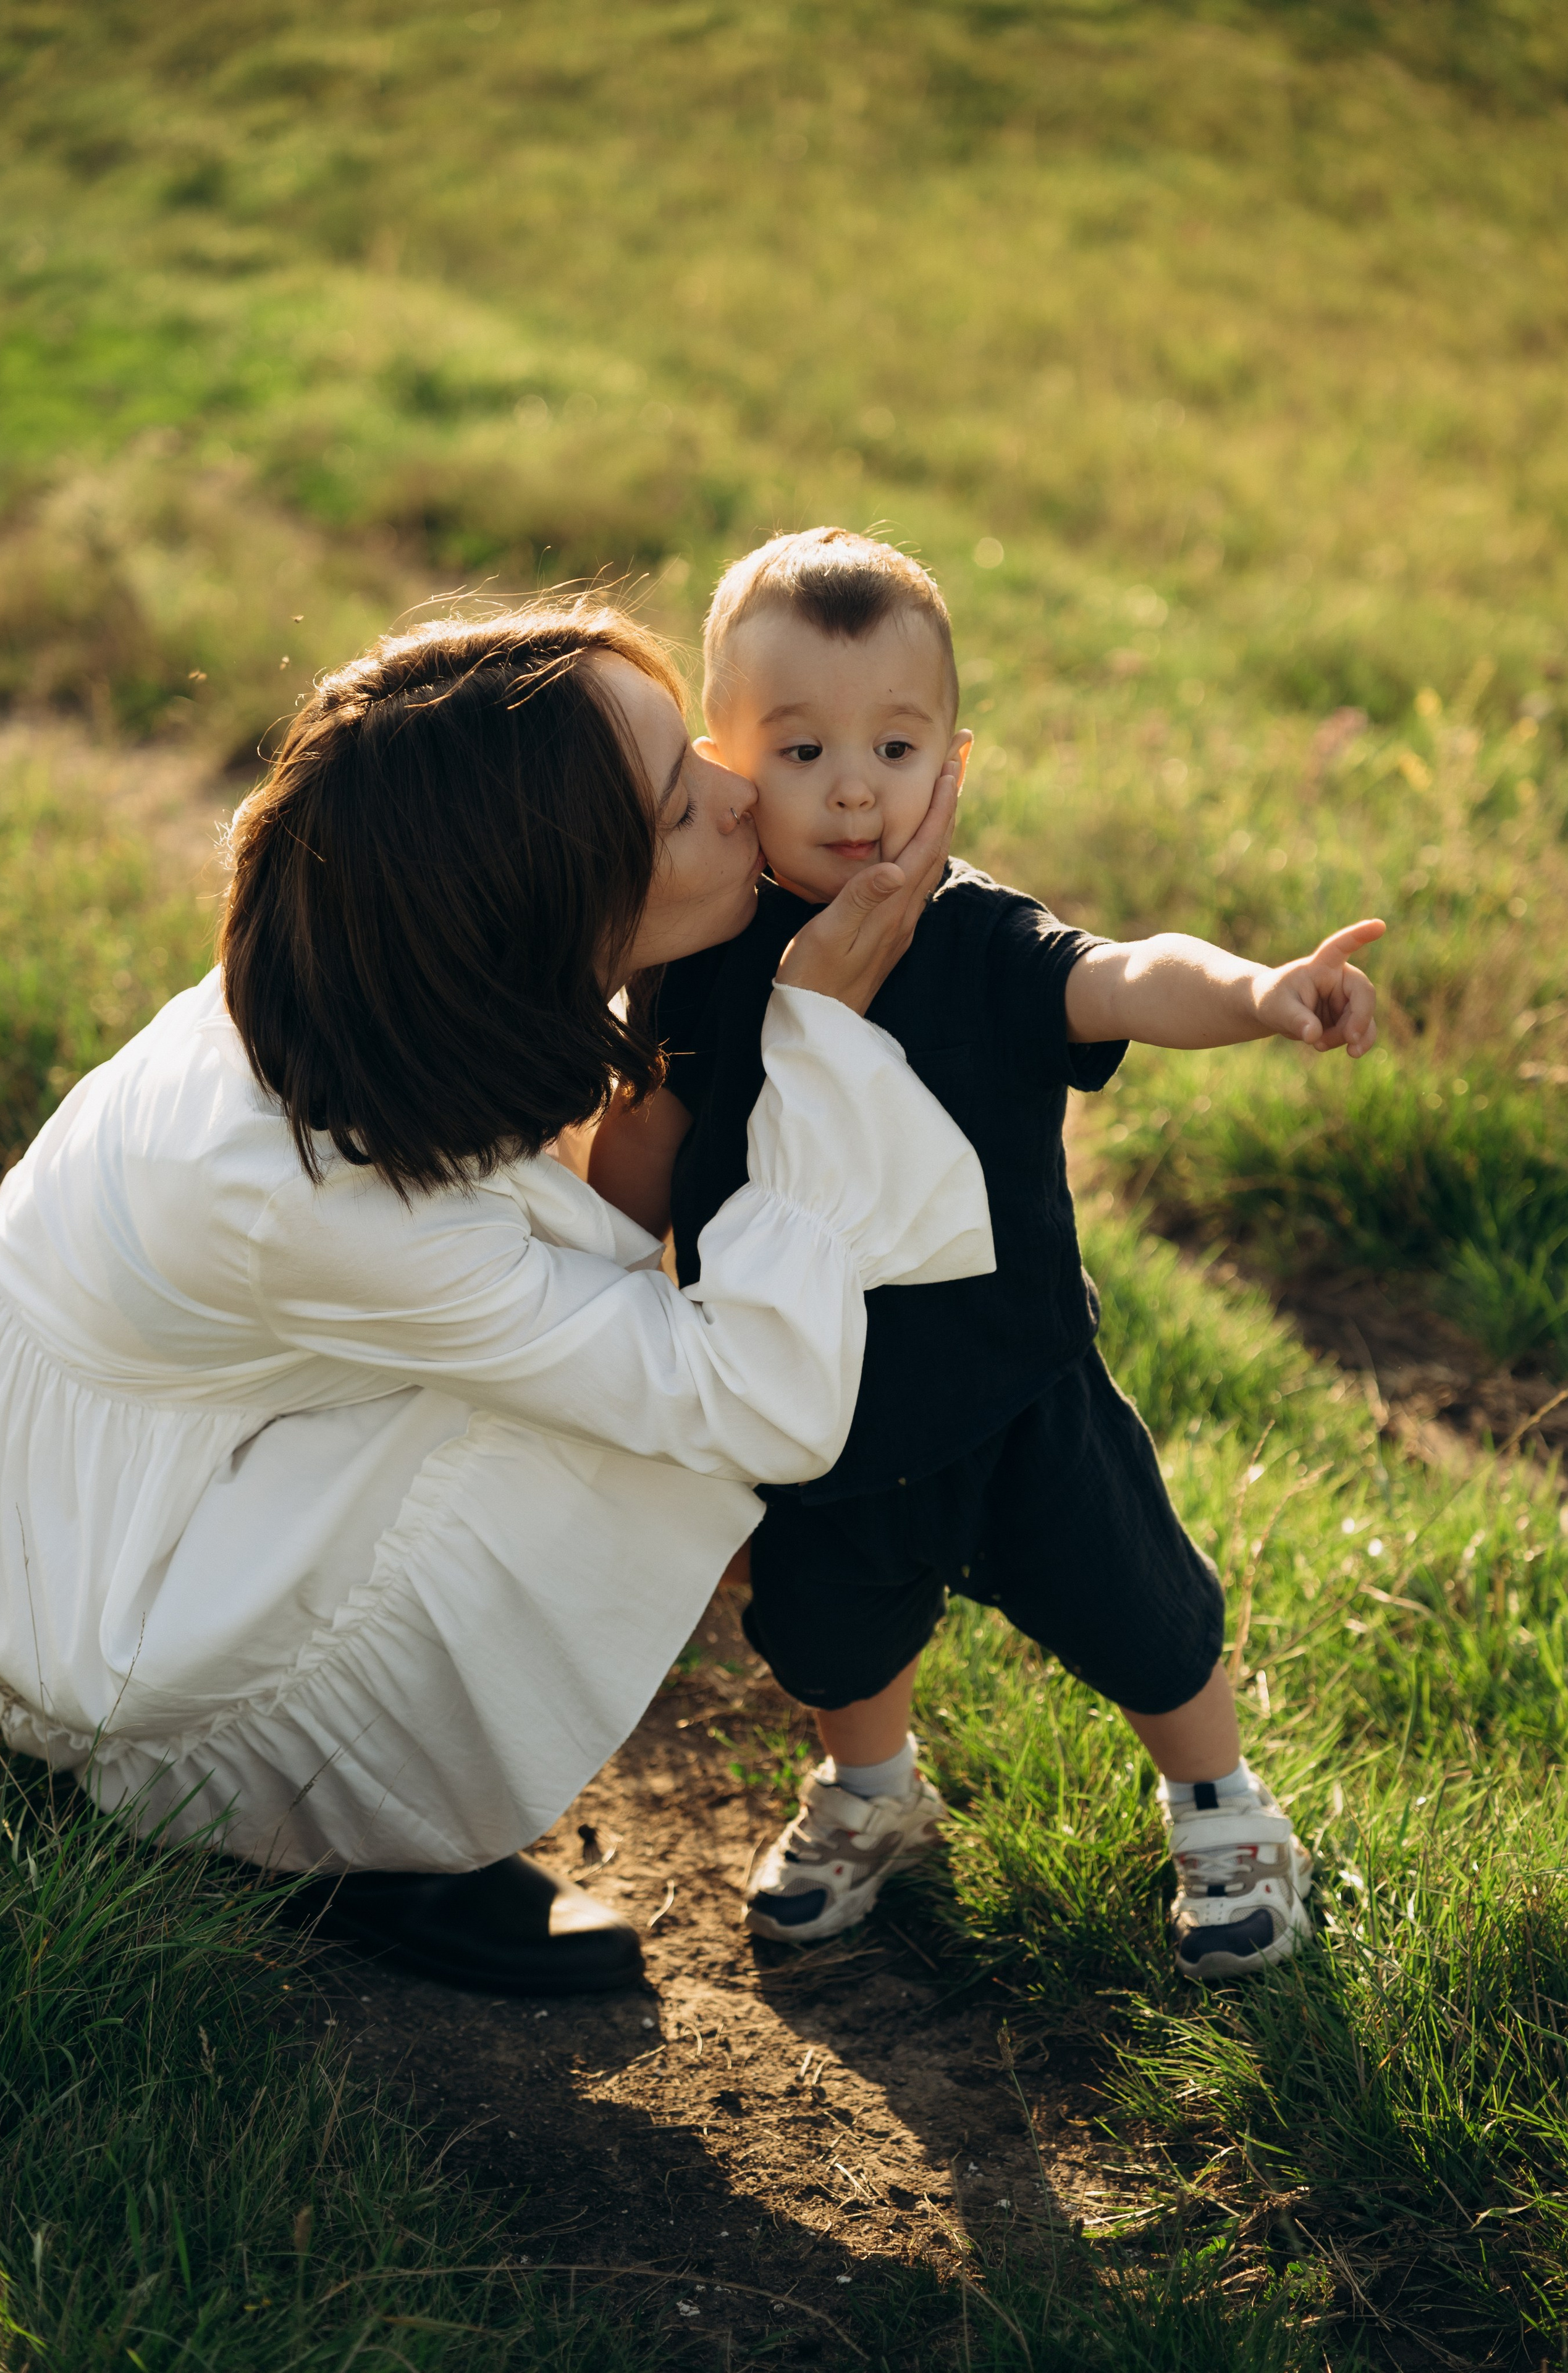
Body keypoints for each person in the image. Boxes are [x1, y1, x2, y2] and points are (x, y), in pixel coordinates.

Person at [0, 599, 999, 1996]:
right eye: (677, 805)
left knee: (585, 1351)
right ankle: (313, 1826)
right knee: (617, 1427)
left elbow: (570, 1241)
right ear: (552, 905)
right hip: (115, 1639)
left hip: (115, 1486)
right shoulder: (315, 1195)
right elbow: (752, 1405)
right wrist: (813, 1032)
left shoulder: (370, 962)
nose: (736, 788)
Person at [589, 528, 1384, 1983]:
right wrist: (594, 1256)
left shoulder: (974, 938)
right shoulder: (701, 954)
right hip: (809, 1397)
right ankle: (871, 1793)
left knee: (1135, 1604)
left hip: (1011, 1378)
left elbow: (1125, 975)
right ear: (725, 766)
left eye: (894, 748)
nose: (853, 788)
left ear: (952, 761)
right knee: (829, 1629)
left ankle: (1219, 1803)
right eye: (803, 749)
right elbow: (650, 1132)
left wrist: (1257, 991)